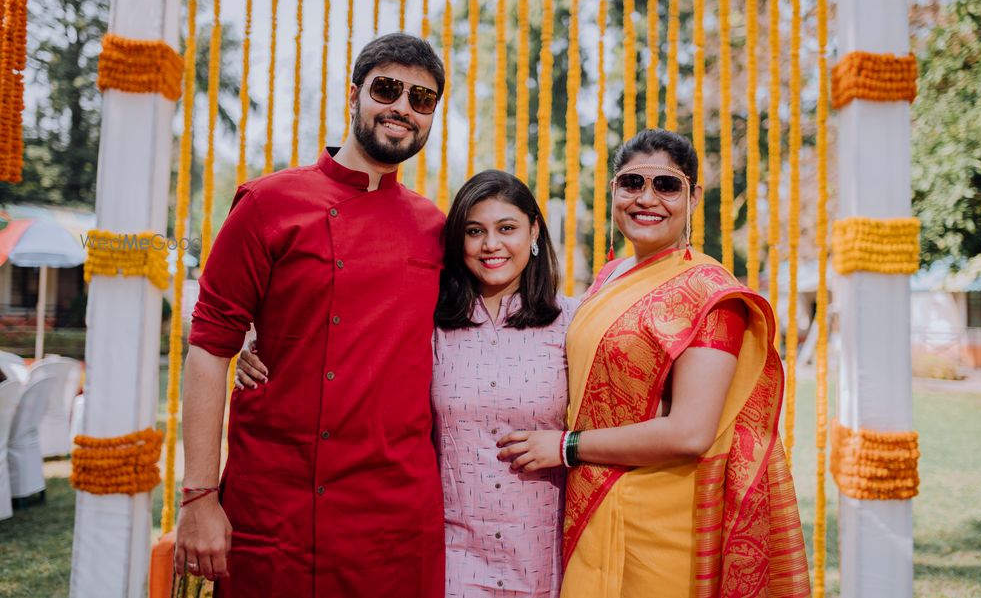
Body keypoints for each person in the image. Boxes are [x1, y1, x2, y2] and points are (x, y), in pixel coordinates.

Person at [174, 33, 448, 597]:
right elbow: (208, 346)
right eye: (388, 89)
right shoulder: (268, 203)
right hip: (278, 503)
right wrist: (199, 496)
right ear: (354, 94)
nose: (403, 108)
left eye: (421, 100)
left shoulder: (435, 227)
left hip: (394, 512)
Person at [497, 129, 812, 597]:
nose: (647, 198)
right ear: (613, 192)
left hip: (660, 524)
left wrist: (566, 447)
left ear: (693, 195)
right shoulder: (609, 277)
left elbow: (690, 432)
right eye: (631, 183)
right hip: (591, 508)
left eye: (666, 185)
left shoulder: (710, 294)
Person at [238, 170, 577, 597]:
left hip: (545, 554)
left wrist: (566, 445)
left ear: (534, 232)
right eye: (475, 232)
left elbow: (621, 411)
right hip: (455, 554)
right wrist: (264, 347)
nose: (491, 245)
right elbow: (349, 338)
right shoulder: (431, 321)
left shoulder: (574, 323)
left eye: (506, 228)